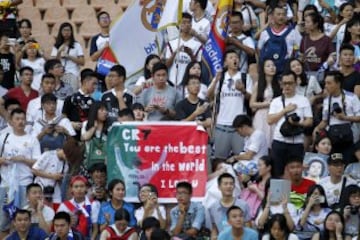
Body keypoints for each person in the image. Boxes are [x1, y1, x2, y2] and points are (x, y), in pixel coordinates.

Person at [0, 108, 41, 238]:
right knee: (4, 219)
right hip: (6, 184)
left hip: (25, 183)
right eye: (17, 119)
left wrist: (23, 159)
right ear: (11, 121)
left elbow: (38, 162)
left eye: (23, 119)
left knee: (23, 219)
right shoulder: (3, 137)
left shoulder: (32, 139)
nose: (20, 122)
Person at [207, 49, 252, 159]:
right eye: (231, 57)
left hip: (240, 126)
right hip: (222, 124)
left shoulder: (245, 77)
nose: (235, 59)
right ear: (226, 62)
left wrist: (242, 90)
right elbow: (208, 95)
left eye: (236, 57)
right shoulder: (221, 77)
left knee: (240, 157)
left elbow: (250, 98)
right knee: (219, 158)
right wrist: (215, 80)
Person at [267, 71, 313, 178]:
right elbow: (269, 120)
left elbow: (309, 121)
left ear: (296, 83)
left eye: (290, 83)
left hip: (296, 142)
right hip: (279, 141)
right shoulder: (276, 101)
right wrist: (285, 111)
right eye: (285, 83)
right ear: (281, 84)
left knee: (296, 174)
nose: (287, 86)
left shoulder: (303, 100)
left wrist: (298, 123)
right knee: (277, 173)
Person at [314, 71, 360, 164]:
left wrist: (345, 118)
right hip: (333, 139)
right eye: (325, 83)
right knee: (333, 164)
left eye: (329, 83)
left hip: (350, 138)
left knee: (347, 164)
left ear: (338, 83)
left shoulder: (352, 97)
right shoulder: (327, 100)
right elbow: (325, 120)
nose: (326, 86)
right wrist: (317, 129)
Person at [32, 138, 82, 210]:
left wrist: (60, 178)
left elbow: (60, 181)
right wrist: (52, 176)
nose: (68, 160)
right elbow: (34, 170)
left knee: (56, 210)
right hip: (41, 187)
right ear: (65, 152)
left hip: (55, 190)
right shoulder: (48, 155)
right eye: (68, 157)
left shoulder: (66, 165)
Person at [258, 5, 301, 74]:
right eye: (278, 14)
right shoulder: (265, 33)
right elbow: (259, 50)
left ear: (286, 17)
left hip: (286, 70)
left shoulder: (293, 32)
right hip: (269, 71)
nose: (281, 17)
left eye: (283, 14)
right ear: (272, 16)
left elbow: (301, 48)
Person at [208, 173, 252, 239]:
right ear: (219, 187)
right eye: (225, 184)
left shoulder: (243, 205)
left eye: (231, 184)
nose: (229, 186)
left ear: (234, 186)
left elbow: (248, 226)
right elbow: (214, 228)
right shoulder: (213, 207)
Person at [250, 59, 281, 149]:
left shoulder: (279, 85)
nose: (272, 68)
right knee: (260, 142)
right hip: (261, 115)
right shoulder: (258, 84)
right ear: (263, 69)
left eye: (273, 65)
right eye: (268, 66)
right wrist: (268, 104)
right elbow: (252, 104)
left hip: (275, 115)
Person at [165, 12, 202, 87]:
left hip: (189, 83)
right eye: (183, 22)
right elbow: (167, 65)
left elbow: (198, 66)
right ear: (179, 25)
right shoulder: (172, 43)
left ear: (191, 25)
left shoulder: (197, 45)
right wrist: (175, 53)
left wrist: (191, 54)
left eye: (189, 22)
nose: (186, 25)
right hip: (173, 82)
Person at [62, 69, 97, 139]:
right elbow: (63, 117)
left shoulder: (93, 101)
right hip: (72, 136)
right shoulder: (70, 98)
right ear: (85, 82)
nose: (95, 87)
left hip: (88, 136)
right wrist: (71, 124)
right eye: (94, 83)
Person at [51, 22, 84, 90]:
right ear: (61, 32)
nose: (66, 32)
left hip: (72, 74)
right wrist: (59, 52)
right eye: (64, 30)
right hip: (59, 75)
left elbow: (82, 62)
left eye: (68, 30)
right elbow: (53, 62)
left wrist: (69, 56)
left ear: (71, 32)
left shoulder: (76, 45)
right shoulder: (56, 46)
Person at [81, 102, 108, 171]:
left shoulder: (109, 126)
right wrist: (93, 128)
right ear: (95, 111)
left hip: (105, 162)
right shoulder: (86, 124)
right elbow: (84, 137)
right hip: (90, 161)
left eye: (106, 110)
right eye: (102, 110)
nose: (105, 112)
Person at [90, 11, 111, 91]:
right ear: (98, 22)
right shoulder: (95, 39)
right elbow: (93, 58)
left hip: (115, 70)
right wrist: (103, 48)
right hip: (101, 71)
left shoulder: (115, 35)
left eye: (106, 18)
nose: (105, 20)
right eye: (102, 18)